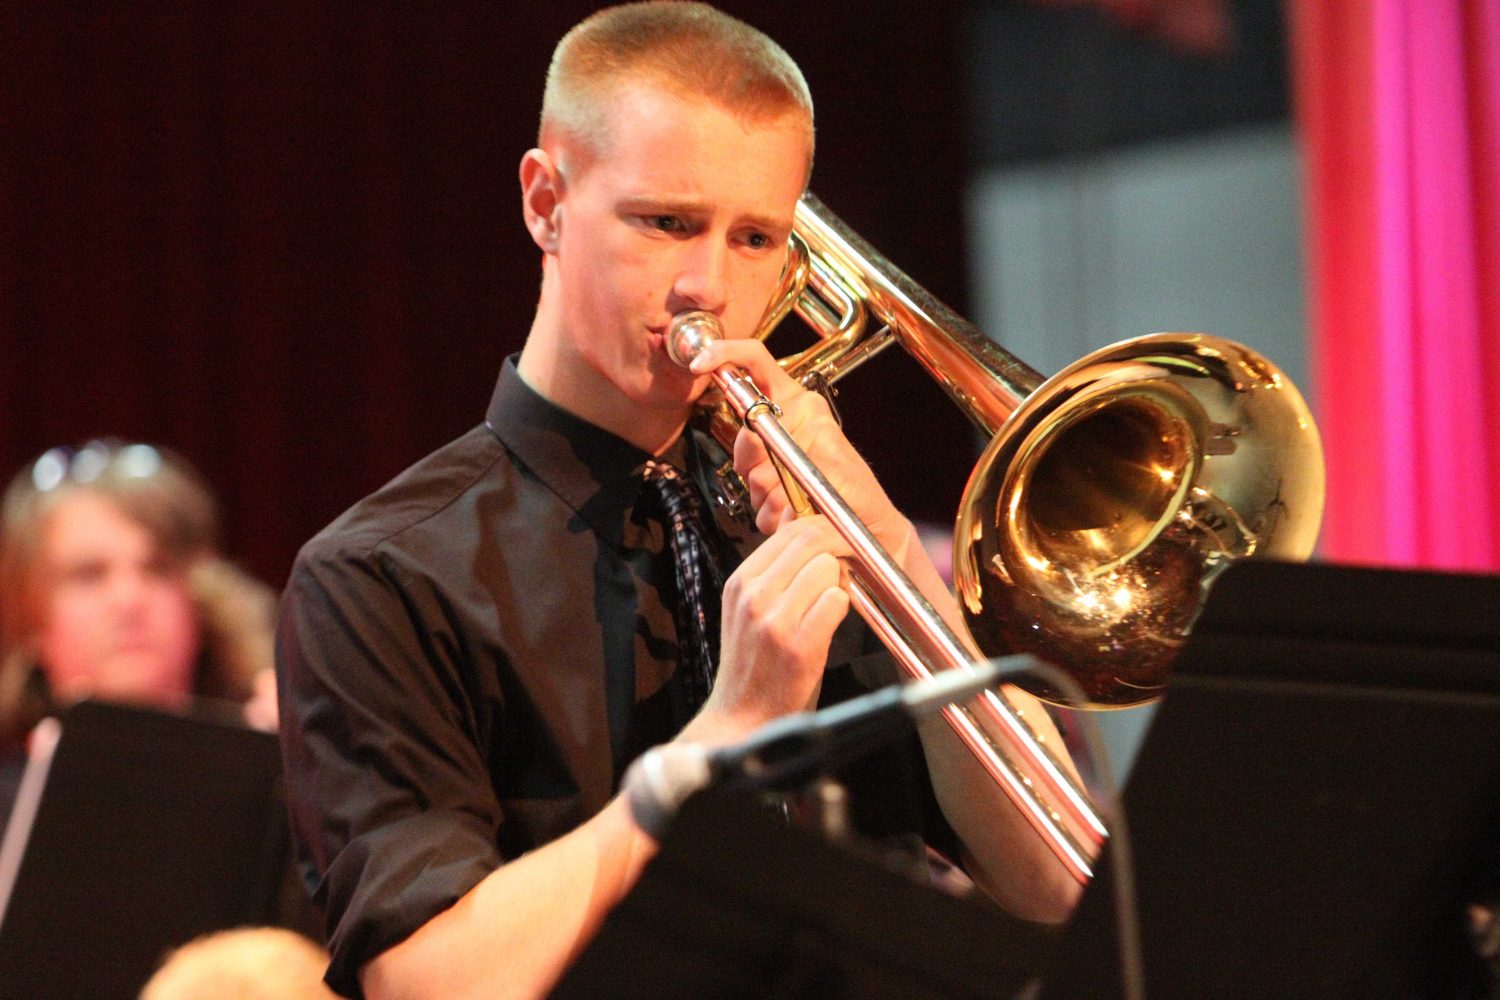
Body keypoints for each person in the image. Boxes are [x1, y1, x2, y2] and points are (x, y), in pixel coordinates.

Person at [275, 5, 1084, 999]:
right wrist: (725, 734)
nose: (710, 285)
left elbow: (1056, 883)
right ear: (545, 201)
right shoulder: (379, 575)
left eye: (756, 238)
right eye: (665, 223)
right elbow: (428, 981)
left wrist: (881, 541)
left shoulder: (809, 524)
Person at [0, 439, 279, 826]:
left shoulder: (278, 775)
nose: (129, 599)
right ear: (30, 618)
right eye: (89, 575)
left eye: (159, 569)